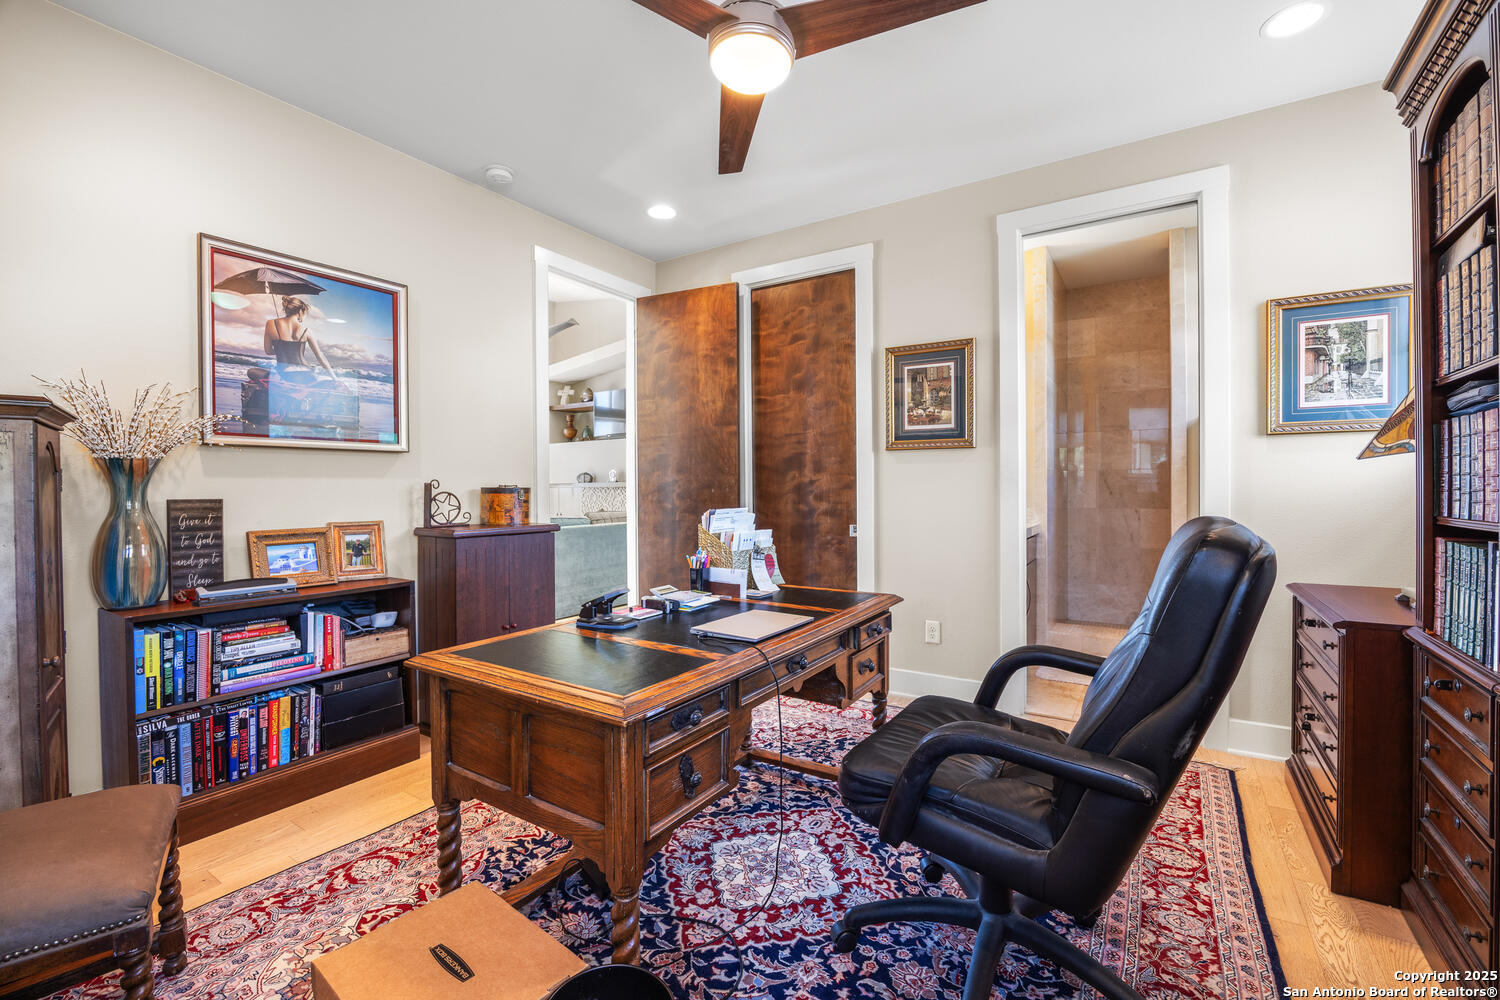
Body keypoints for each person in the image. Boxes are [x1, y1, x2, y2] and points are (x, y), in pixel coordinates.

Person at [264, 296, 345, 386]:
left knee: (252, 372)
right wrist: (335, 378)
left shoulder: (271, 323)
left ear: (286, 309)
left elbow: (268, 351)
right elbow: (320, 356)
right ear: (300, 312)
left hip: (284, 374)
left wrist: (282, 351)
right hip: (307, 375)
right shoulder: (306, 331)